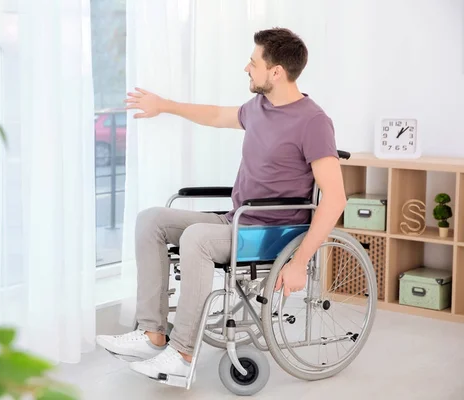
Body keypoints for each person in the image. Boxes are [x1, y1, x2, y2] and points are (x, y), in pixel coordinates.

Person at [96, 27, 347, 384]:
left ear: (276, 72)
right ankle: (153, 333)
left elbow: (335, 198)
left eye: (253, 62)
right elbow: (215, 114)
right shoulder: (259, 107)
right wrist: (164, 105)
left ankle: (182, 355)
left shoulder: (313, 121)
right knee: (151, 219)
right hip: (238, 222)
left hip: (270, 233)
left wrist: (300, 262)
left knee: (197, 237)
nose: (247, 68)